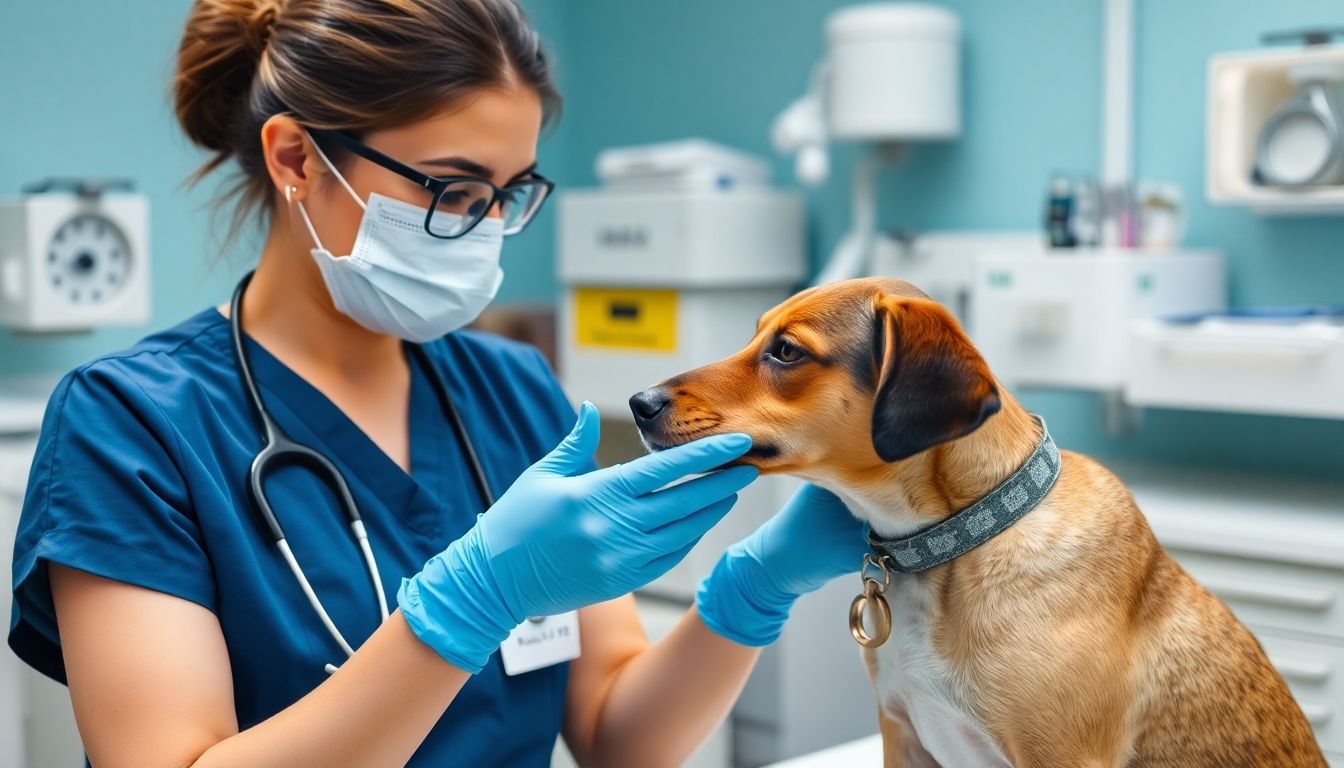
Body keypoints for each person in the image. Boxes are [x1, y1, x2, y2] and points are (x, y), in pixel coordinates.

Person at [7, 1, 865, 765]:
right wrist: (468, 604)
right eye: (453, 190)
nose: (485, 228)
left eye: (508, 192)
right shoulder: (134, 424)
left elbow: (618, 737)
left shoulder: (514, 391)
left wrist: (755, 588)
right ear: (297, 159)